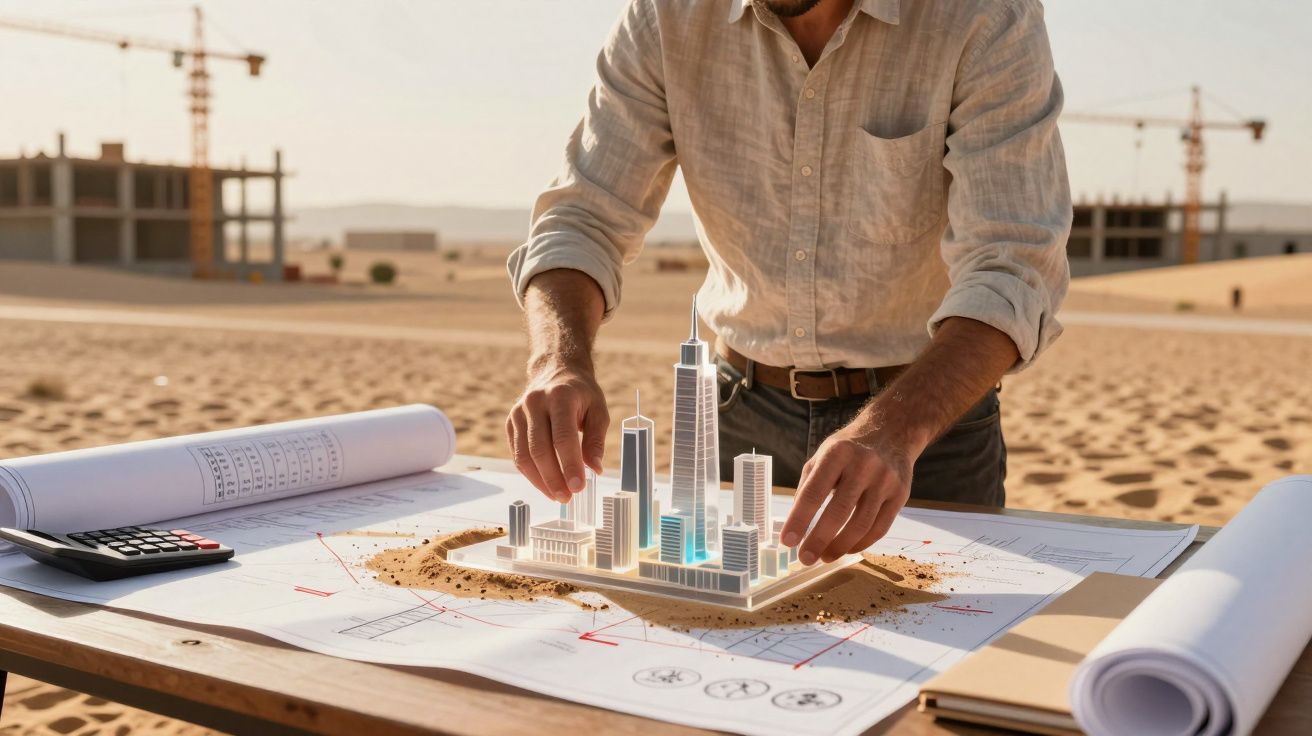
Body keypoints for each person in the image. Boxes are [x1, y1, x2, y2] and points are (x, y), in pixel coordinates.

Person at [505, 0, 1071, 567]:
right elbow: (583, 218)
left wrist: (896, 428)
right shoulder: (666, 16)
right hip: (738, 416)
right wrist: (556, 362)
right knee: (719, 612)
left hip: (930, 425)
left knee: (953, 617)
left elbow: (1013, 267)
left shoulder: (983, 16)